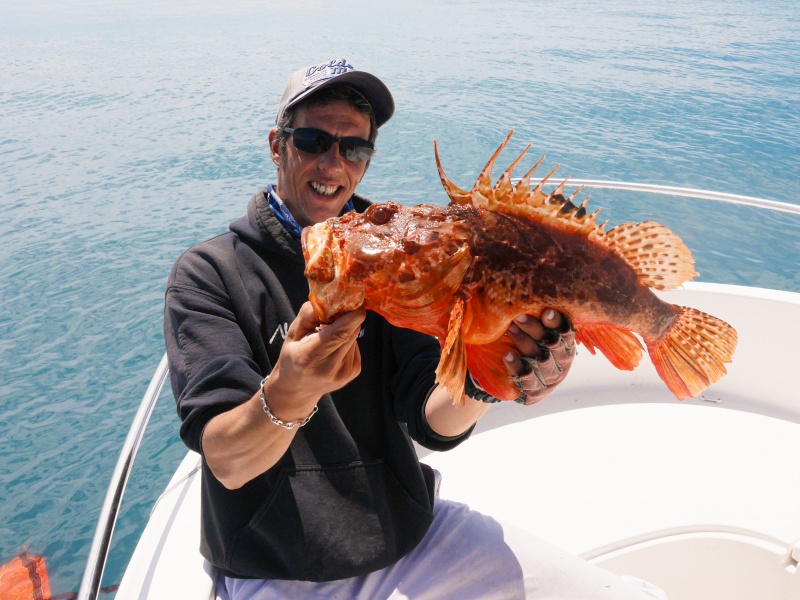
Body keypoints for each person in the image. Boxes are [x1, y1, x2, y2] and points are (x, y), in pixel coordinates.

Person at [163, 58, 667, 599]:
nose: (333, 163)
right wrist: (290, 391)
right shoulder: (210, 274)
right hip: (276, 570)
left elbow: (433, 422)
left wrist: (494, 373)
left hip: (411, 536)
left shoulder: (394, 254)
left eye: (354, 148)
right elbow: (227, 461)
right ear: (277, 145)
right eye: (312, 140)